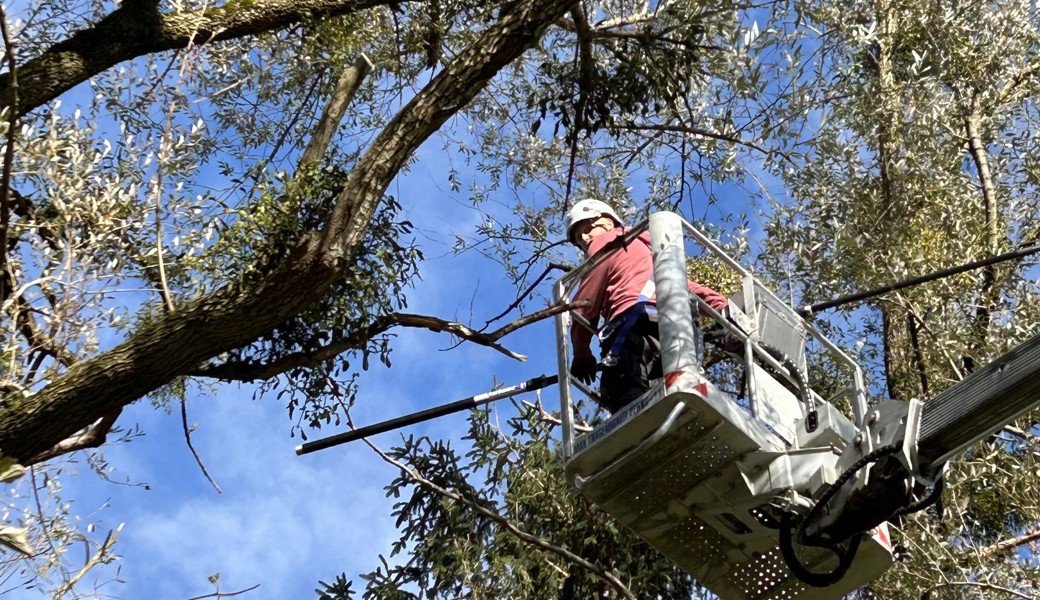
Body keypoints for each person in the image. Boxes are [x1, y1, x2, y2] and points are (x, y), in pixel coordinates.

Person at [566, 199, 728, 413]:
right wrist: (723, 310)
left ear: (606, 223)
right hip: (674, 327)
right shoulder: (652, 252)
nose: (585, 238)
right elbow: (686, 287)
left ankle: (633, 424)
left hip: (631, 328)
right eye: (579, 238)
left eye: (587, 230)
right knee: (672, 391)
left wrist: (581, 352)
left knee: (627, 397)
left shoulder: (607, 241)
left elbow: (584, 304)